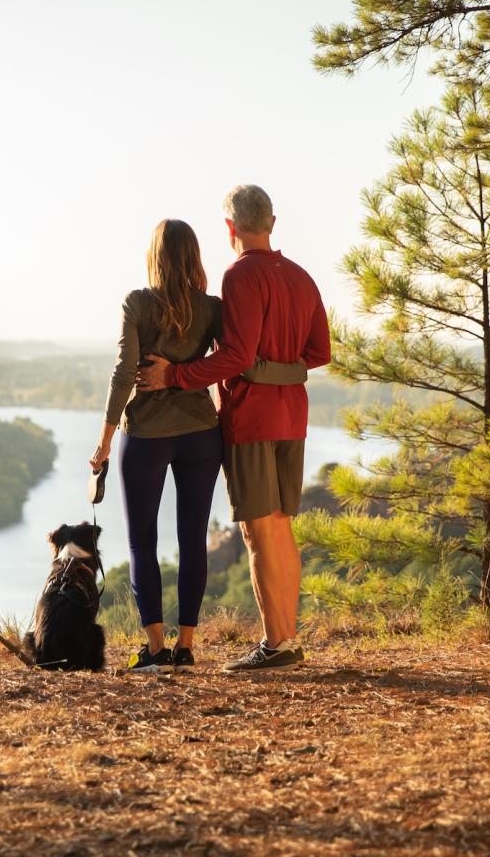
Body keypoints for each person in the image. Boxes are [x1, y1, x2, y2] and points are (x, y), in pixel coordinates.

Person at [91, 218, 306, 674]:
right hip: (201, 435)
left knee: (142, 543)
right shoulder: (210, 307)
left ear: (155, 257)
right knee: (192, 541)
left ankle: (155, 651)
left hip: (146, 436)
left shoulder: (137, 303)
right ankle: (186, 646)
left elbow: (122, 373)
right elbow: (233, 355)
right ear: (194, 257)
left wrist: (104, 441)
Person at [138, 185, 330, 671]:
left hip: (251, 421)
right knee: (280, 527)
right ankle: (286, 639)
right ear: (272, 221)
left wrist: (176, 375)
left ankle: (277, 643)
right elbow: (319, 353)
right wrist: (284, 371)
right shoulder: (302, 277)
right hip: (293, 417)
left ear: (230, 228)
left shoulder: (241, 276)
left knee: (256, 531)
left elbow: (238, 358)